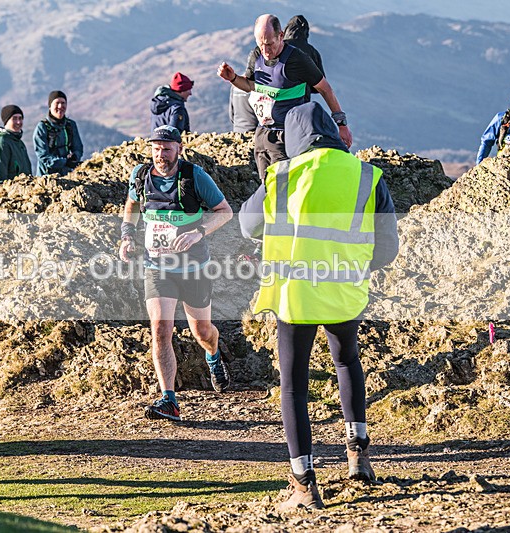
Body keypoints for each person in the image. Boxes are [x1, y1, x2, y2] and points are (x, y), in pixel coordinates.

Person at [239, 102, 398, 511]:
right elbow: (387, 248)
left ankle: (305, 485)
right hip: (345, 291)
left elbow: (247, 225)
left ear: (294, 138)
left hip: (296, 295)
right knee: (347, 361)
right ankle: (359, 455)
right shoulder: (366, 175)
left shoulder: (282, 175)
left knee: (294, 384)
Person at [119, 125, 233, 421]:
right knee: (160, 329)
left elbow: (225, 211)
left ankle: (213, 355)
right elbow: (132, 204)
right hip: (157, 268)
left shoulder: (194, 176)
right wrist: (127, 235)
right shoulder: (141, 176)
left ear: (179, 149)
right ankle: (169, 399)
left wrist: (198, 232)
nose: (161, 155)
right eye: (156, 149)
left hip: (194, 268)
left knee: (202, 332)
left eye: (167, 149)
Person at [218, 14, 353, 180]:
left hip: (287, 136)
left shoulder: (297, 59)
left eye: (270, 44)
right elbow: (249, 85)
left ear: (280, 36)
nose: (265, 51)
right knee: (267, 186)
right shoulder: (256, 55)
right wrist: (232, 78)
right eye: (260, 44)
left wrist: (341, 124)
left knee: (283, 186)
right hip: (262, 134)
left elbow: (325, 89)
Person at [229, 14, 324, 134]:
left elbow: (233, 113)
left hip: (258, 120)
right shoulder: (308, 51)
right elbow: (318, 86)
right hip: (291, 117)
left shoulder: (274, 49)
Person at [33, 90, 83, 176]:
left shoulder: (70, 125)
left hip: (67, 175)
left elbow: (78, 148)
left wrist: (75, 157)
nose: (60, 106)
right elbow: (43, 156)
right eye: (57, 103)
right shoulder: (42, 127)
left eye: (63, 103)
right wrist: (64, 162)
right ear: (50, 106)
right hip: (46, 177)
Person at [283, 15, 324, 103]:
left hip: (274, 100)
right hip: (301, 102)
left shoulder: (278, 47)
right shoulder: (312, 51)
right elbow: (320, 85)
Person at [0, 104, 31, 185]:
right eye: (14, 118)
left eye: (20, 118)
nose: (18, 122)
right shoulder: (2, 142)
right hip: (11, 190)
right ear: (6, 121)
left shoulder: (19, 143)